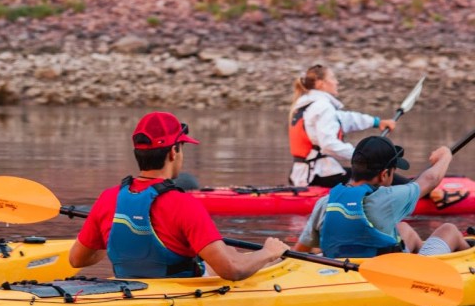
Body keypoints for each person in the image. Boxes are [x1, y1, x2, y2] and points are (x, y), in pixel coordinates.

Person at [69, 111, 288, 281]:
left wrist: (112, 237)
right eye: (182, 147)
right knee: (249, 258)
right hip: (178, 294)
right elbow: (232, 271)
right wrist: (268, 252)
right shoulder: (183, 204)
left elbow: (77, 259)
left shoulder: (108, 198)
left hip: (130, 286)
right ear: (174, 152)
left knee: (227, 252)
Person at [294, 135, 468, 258]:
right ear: (384, 174)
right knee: (449, 230)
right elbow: (431, 179)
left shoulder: (325, 202)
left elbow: (300, 250)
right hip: (387, 276)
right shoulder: (389, 198)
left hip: (342, 269)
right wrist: (446, 155)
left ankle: (421, 255)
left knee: (403, 229)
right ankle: (465, 263)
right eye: (393, 172)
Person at [289, 64, 398, 187]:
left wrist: (377, 122)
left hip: (303, 174)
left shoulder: (306, 105)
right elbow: (328, 144)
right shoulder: (322, 107)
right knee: (392, 179)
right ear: (320, 84)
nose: (337, 82)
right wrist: (362, 158)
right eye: (333, 78)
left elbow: (347, 119)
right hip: (318, 175)